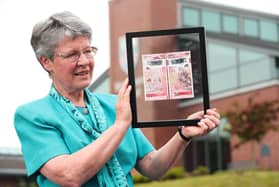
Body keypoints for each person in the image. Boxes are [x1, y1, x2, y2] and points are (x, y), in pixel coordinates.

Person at [14, 11, 220, 187]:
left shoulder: (113, 105)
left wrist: (183, 134)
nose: (84, 61)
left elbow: (152, 167)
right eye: (72, 55)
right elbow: (69, 175)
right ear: (46, 61)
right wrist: (120, 124)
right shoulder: (33, 116)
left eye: (88, 51)